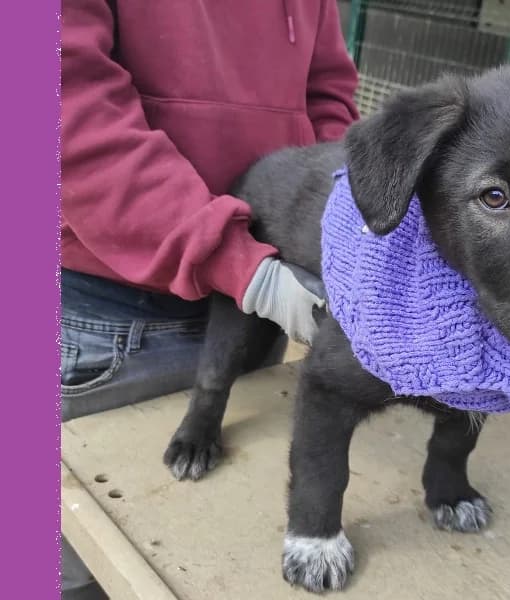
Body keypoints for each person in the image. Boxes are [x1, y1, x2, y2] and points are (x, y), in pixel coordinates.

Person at [60, 1, 359, 597]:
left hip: (269, 297)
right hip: (103, 307)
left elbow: (328, 97)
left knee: (202, 562)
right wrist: (231, 259)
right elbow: (56, 101)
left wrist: (342, 230)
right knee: (63, 564)